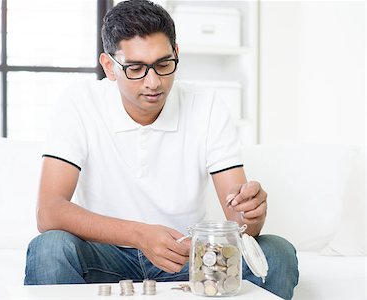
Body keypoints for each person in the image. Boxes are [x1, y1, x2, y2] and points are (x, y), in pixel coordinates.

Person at [24, 0, 299, 299]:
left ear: (176, 54)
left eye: (163, 65)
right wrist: (139, 235)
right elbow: (49, 212)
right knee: (49, 247)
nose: (153, 82)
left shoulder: (206, 106)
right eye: (136, 69)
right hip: (105, 255)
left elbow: (240, 224)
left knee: (276, 252)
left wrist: (252, 215)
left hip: (187, 257)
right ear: (109, 67)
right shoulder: (79, 102)